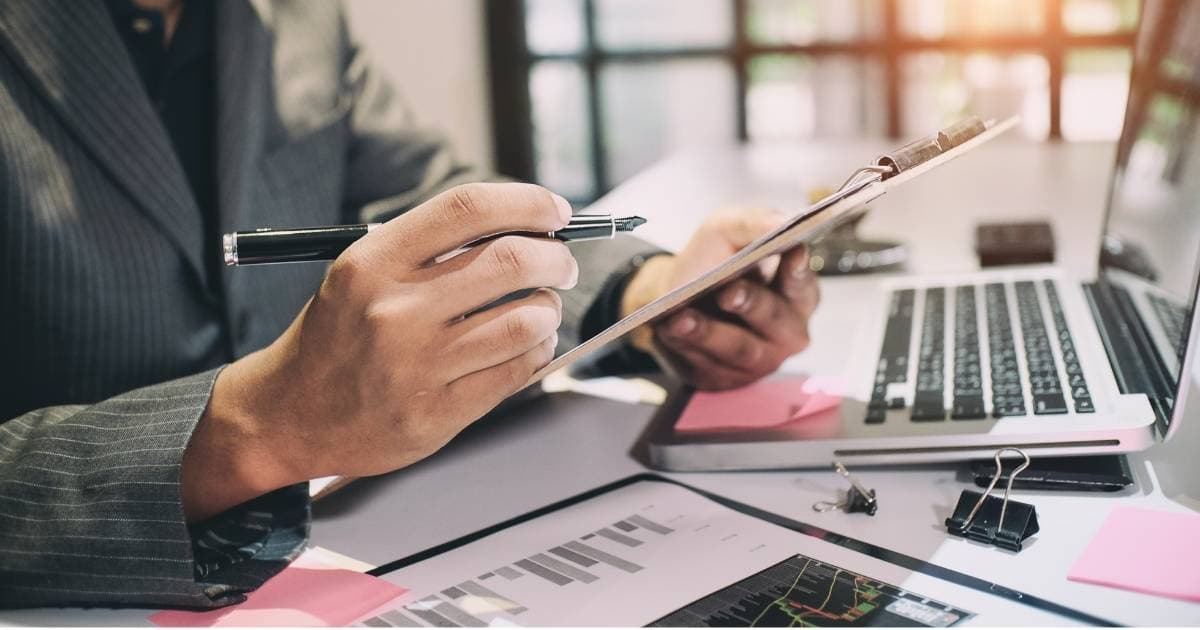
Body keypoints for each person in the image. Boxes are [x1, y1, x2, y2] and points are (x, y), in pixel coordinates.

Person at [0, 0, 820, 609]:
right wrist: (257, 427)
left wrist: (651, 296)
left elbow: (431, 198)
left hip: (352, 561)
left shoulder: (298, 19)